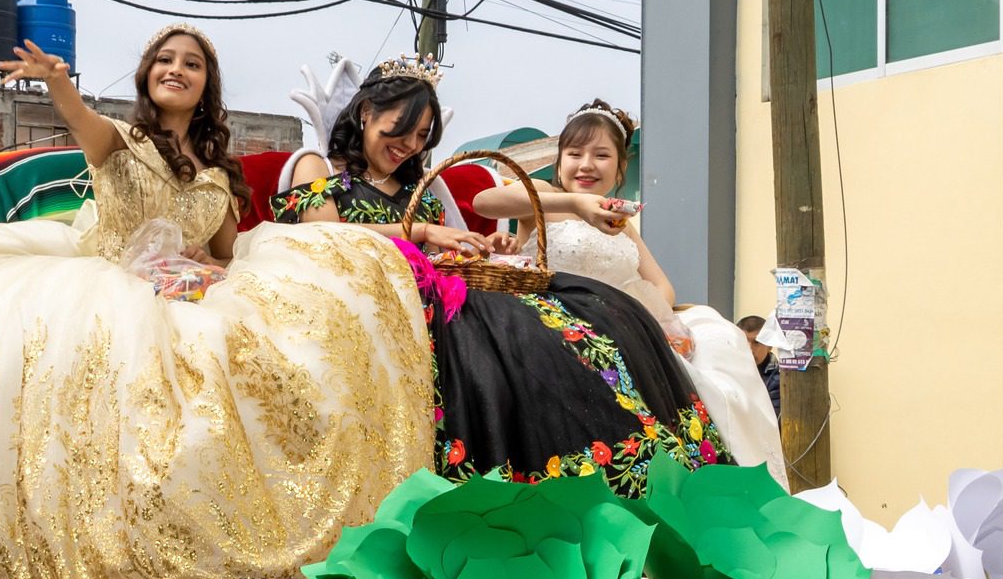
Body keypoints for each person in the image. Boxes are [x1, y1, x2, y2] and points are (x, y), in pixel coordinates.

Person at [0, 22, 436, 579]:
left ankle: (246, 538)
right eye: (165, 60)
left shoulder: (219, 172)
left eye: (193, 64)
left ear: (207, 87)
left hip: (191, 296)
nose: (177, 69)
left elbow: (228, 252)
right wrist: (58, 85)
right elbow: (81, 123)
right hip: (112, 287)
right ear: (148, 75)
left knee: (267, 355)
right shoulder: (122, 141)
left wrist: (209, 268)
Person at [275, 65, 729, 498]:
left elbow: (445, 255)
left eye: (421, 136)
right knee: (513, 336)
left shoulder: (422, 188)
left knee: (565, 322)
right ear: (366, 112)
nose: (410, 145)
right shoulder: (319, 166)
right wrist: (425, 231)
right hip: (364, 295)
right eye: (400, 128)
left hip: (440, 292)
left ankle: (625, 468)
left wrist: (482, 247)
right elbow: (324, 235)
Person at [469, 100, 783, 485]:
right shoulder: (542, 196)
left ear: (619, 170)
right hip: (559, 327)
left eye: (601, 155)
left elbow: (662, 285)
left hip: (625, 323)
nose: (586, 164)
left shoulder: (621, 222)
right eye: (575, 154)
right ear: (559, 162)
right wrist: (575, 204)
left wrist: (649, 316)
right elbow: (483, 202)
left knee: (723, 341)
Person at [736, 316, 782, 418]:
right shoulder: (727, 370)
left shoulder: (778, 380)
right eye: (743, 341)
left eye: (756, 342)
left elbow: (771, 421)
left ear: (769, 345)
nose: (749, 349)